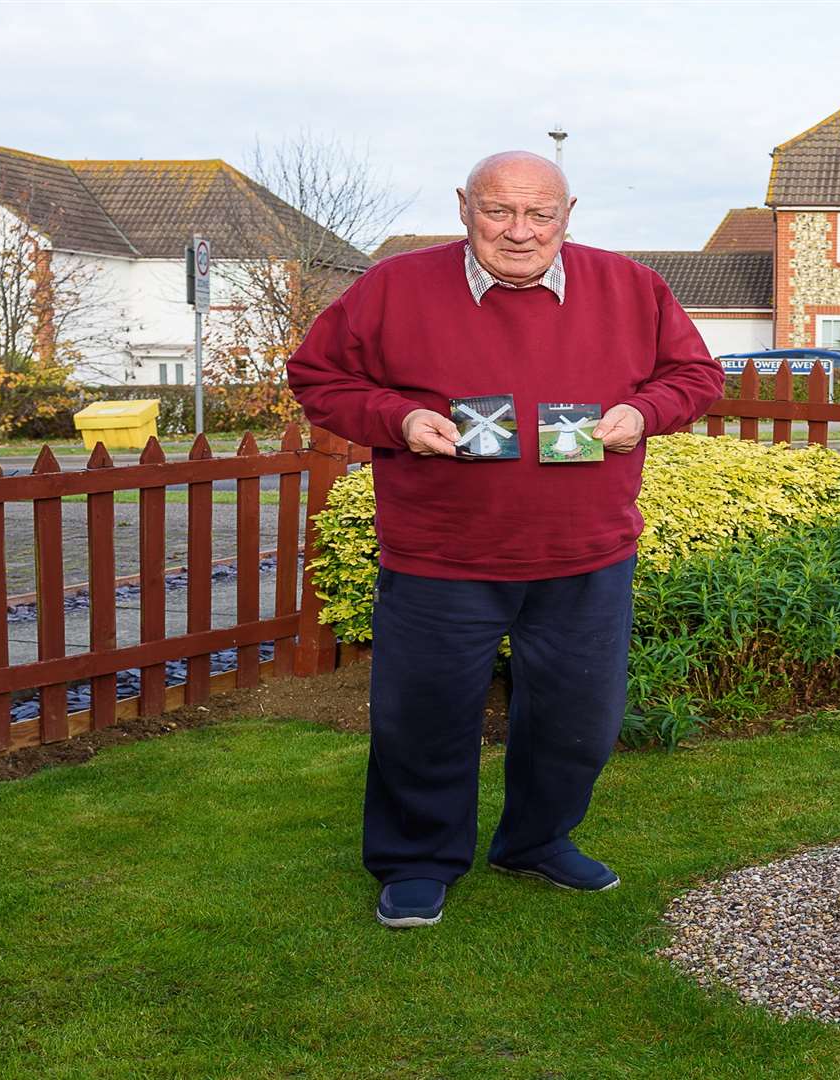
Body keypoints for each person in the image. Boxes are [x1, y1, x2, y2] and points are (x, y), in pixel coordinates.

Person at [288, 151, 723, 928]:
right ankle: (418, 861)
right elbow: (319, 377)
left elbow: (694, 376)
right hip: (441, 555)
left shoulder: (632, 287)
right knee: (421, 719)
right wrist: (400, 421)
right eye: (498, 211)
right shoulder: (394, 287)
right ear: (464, 207)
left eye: (539, 215)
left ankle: (537, 840)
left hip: (586, 553)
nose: (519, 232)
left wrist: (642, 414)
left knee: (577, 721)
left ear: (568, 213)